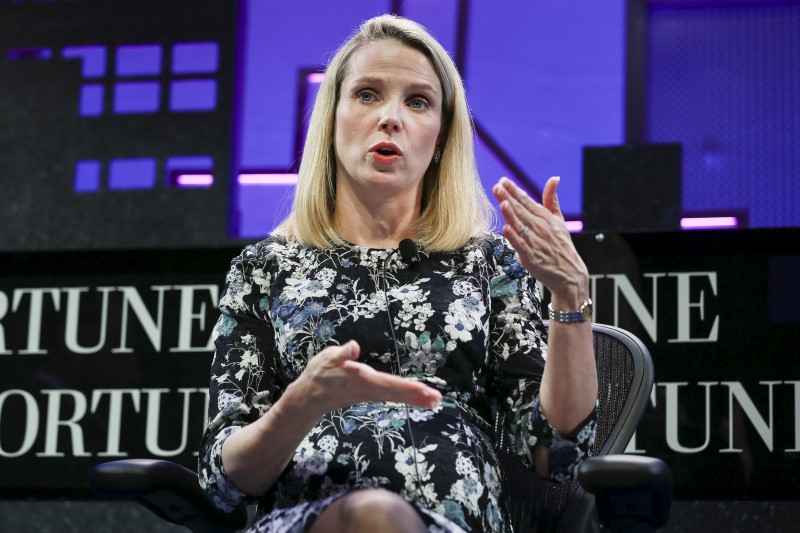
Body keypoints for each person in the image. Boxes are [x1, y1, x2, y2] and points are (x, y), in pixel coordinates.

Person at [198, 14, 598, 533]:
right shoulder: (264, 271)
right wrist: (302, 403)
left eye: (418, 101)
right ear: (332, 118)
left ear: (439, 139)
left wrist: (570, 296)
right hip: (304, 519)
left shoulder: (486, 265)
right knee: (371, 518)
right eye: (367, 94)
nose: (390, 117)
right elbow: (225, 481)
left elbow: (557, 452)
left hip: (449, 518)